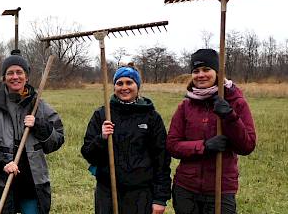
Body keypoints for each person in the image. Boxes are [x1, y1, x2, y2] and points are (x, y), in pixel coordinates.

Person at [0, 50, 64, 214]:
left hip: (32, 182)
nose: (15, 77)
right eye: (10, 73)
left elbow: (57, 140)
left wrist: (40, 126)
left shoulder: (39, 107)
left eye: (19, 72)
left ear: (26, 77)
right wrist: (2, 161)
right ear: (4, 78)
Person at [166, 49, 257, 214]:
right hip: (186, 188)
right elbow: (172, 145)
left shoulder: (236, 103)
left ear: (218, 72)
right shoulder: (185, 106)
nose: (201, 75)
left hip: (221, 189)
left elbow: (247, 146)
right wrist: (204, 146)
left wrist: (230, 116)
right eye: (195, 71)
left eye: (206, 69)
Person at [80, 65, 171, 214]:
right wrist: (101, 138)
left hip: (140, 194)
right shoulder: (103, 114)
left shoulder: (151, 117)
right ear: (114, 86)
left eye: (129, 82)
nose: (124, 87)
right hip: (108, 191)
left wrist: (160, 198)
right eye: (119, 83)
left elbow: (162, 159)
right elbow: (88, 153)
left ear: (138, 86)